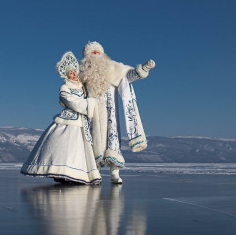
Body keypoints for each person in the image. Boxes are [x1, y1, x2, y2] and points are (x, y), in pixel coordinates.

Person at [79, 41, 155, 184]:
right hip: (93, 113)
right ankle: (95, 172)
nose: (95, 55)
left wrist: (143, 69)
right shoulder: (84, 74)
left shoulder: (113, 67)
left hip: (111, 114)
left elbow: (129, 75)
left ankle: (115, 172)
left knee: (112, 140)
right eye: (92, 53)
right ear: (87, 56)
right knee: (94, 141)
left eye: (97, 52)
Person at [21, 51, 101, 185]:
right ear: (66, 75)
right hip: (69, 120)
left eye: (75, 72)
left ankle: (77, 173)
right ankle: (62, 172)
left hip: (82, 121)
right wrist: (90, 103)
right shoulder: (64, 87)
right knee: (65, 146)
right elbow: (71, 101)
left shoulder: (83, 86)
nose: (74, 74)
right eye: (70, 73)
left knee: (79, 149)